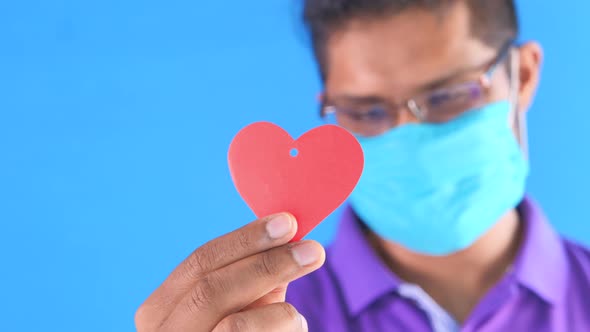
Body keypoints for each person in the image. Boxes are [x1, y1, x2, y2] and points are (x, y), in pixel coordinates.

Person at [135, 0, 590, 331]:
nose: (407, 134)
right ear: (331, 109)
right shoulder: (259, 319)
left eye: (448, 96)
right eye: (367, 111)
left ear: (523, 75)